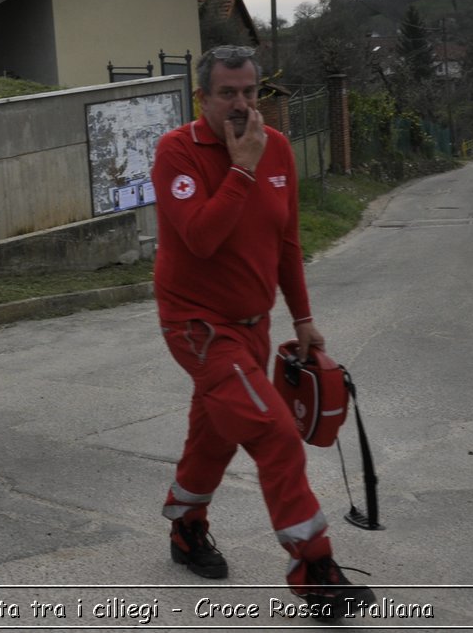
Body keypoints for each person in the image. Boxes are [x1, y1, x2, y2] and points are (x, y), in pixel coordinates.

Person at [151, 44, 374, 621]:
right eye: (228, 93)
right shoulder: (177, 152)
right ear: (202, 97)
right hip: (198, 328)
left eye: (250, 91)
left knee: (216, 433)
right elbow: (201, 236)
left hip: (256, 324)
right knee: (273, 431)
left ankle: (186, 526)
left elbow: (287, 242)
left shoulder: (277, 147)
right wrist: (241, 168)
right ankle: (314, 568)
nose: (242, 104)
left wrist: (302, 319)